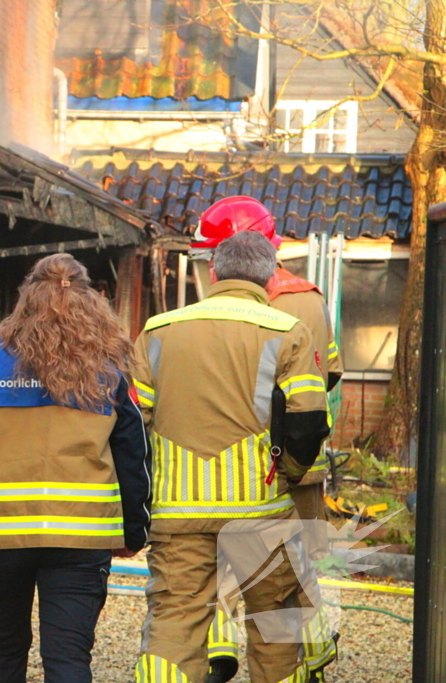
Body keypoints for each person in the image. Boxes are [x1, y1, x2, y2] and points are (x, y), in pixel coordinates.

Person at [0, 253, 151, 683]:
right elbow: (134, 456)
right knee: (67, 658)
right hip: (82, 538)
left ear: (26, 298)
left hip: (1, 537)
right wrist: (135, 531)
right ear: (91, 300)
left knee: (4, 650)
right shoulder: (112, 369)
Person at [132, 231, 330, 683]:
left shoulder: (158, 330)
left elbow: (132, 423)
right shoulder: (287, 332)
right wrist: (290, 472)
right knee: (276, 625)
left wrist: (148, 488)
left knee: (173, 624)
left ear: (213, 272)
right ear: (270, 275)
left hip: (178, 513)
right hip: (261, 512)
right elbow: (308, 421)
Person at [190, 196, 342, 682]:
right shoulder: (311, 297)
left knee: (226, 565)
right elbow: (329, 374)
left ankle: (222, 657)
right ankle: (313, 651)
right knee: (294, 563)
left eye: (209, 256)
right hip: (303, 460)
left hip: (247, 465)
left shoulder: (244, 305)